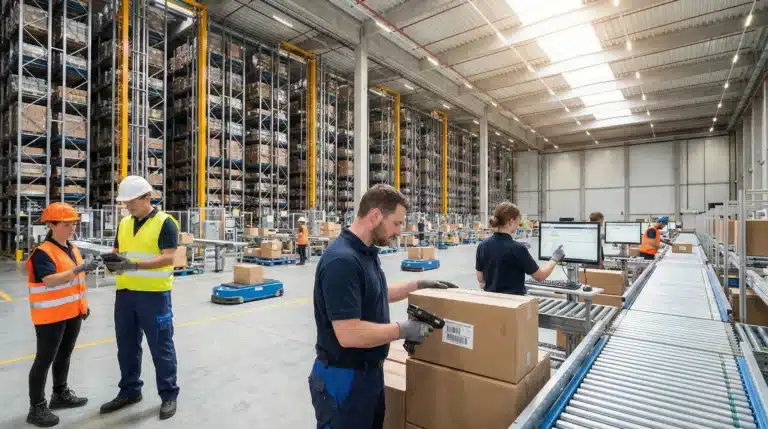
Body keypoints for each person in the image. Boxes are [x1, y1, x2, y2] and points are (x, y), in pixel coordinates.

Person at [309, 184, 457, 429]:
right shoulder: (342, 261)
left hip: (369, 375)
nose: (399, 231)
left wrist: (417, 285)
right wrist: (403, 329)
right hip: (343, 379)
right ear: (375, 216)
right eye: (397, 223)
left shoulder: (366, 253)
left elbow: (373, 295)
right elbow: (349, 334)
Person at [99, 176, 181, 420]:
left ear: (148, 197)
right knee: (126, 347)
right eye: (125, 203)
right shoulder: (124, 223)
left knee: (161, 347)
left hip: (154, 296)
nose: (128, 207)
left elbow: (168, 257)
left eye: (132, 201)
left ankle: (168, 395)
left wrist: (133, 265)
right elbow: (117, 251)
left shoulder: (166, 223)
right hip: (125, 295)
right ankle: (130, 391)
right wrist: (111, 261)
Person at [25, 203, 99, 427]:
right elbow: (49, 280)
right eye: (67, 225)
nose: (72, 228)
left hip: (72, 313)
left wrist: (82, 305)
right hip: (50, 316)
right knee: (44, 360)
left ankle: (60, 394)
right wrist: (78, 269)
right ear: (51, 225)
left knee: (64, 356)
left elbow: (75, 283)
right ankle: (37, 407)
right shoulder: (43, 252)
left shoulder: (72, 248)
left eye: (74, 224)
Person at [476, 202, 565, 295]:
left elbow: (480, 278)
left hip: (491, 304)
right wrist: (555, 258)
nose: (518, 225)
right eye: (518, 222)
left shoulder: (482, 245)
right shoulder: (518, 249)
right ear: (511, 221)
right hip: (514, 304)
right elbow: (540, 276)